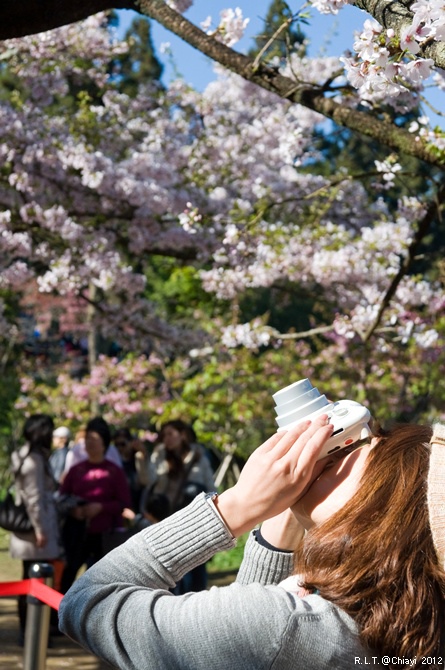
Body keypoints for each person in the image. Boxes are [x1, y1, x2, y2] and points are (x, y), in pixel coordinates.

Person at [59, 415, 445, 669]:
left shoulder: (284, 627)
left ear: (384, 512)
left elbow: (88, 602)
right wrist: (283, 520)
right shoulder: (411, 627)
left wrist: (234, 506)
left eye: (368, 450)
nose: (345, 449)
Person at [141, 419, 216, 593]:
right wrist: (144, 458)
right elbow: (148, 480)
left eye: (171, 434)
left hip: (195, 519)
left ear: (182, 435)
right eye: (164, 435)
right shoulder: (160, 455)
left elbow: (210, 486)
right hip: (167, 519)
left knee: (197, 569)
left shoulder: (198, 457)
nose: (166, 438)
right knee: (176, 568)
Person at [58, 416, 131, 594]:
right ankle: (59, 617)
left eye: (95, 439)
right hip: (77, 533)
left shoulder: (114, 471)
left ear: (104, 444)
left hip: (105, 536)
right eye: (87, 439)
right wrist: (74, 510)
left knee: (102, 582)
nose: (89, 443)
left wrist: (101, 508)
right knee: (68, 576)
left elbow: (124, 503)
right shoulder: (76, 470)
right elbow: (61, 497)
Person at [9, 414, 63, 641]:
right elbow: (34, 499)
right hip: (35, 532)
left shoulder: (22, 455)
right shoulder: (33, 461)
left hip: (28, 530)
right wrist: (41, 531)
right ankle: (31, 634)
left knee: (31, 578)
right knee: (35, 581)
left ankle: (34, 631)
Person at [113, 427, 149, 512]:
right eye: (116, 445)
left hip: (140, 505)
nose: (119, 448)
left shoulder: (139, 457)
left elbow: (146, 480)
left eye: (122, 444)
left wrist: (143, 453)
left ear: (131, 442)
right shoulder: (115, 460)